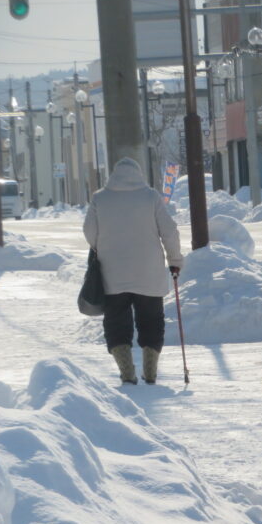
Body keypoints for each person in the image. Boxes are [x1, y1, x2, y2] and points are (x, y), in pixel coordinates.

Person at [83, 157, 183, 385]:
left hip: (112, 272)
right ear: (139, 174)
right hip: (149, 272)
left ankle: (126, 369)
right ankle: (150, 368)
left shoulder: (100, 198)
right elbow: (169, 231)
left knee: (116, 321)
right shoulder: (151, 197)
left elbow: (89, 231)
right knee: (151, 319)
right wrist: (175, 259)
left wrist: (102, 246)